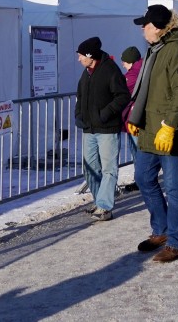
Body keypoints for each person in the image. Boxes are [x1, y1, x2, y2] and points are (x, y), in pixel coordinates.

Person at [126, 5, 178, 263]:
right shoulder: (156, 49)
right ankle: (162, 230)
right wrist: (136, 116)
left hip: (169, 130)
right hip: (150, 127)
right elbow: (148, 88)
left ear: (157, 28)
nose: (142, 30)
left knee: (174, 188)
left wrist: (169, 126)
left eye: (144, 25)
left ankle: (175, 242)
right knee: (143, 178)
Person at [75, 37, 130, 222]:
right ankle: (100, 201)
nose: (79, 59)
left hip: (107, 129)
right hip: (89, 129)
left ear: (90, 55)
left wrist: (105, 114)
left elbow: (123, 96)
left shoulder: (110, 69)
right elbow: (80, 96)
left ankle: (105, 207)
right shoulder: (86, 73)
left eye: (81, 55)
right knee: (89, 169)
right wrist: (78, 114)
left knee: (108, 169)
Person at [121, 46, 143, 169]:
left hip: (135, 117)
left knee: (138, 151)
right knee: (137, 150)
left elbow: (121, 89)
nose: (123, 65)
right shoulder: (139, 70)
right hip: (135, 116)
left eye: (124, 62)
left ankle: (141, 176)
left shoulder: (133, 74)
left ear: (130, 61)